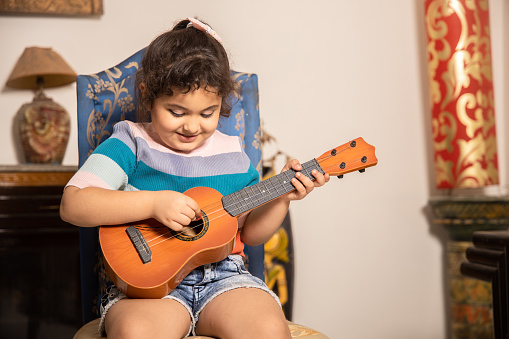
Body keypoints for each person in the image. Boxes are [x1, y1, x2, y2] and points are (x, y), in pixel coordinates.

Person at [60, 17, 329, 339]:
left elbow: (253, 234)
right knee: (137, 333)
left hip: (225, 278)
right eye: (176, 112)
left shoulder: (232, 153)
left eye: (207, 113)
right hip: (148, 286)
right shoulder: (129, 141)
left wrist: (282, 197)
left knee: (269, 330)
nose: (192, 127)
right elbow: (73, 205)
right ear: (148, 96)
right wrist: (155, 203)